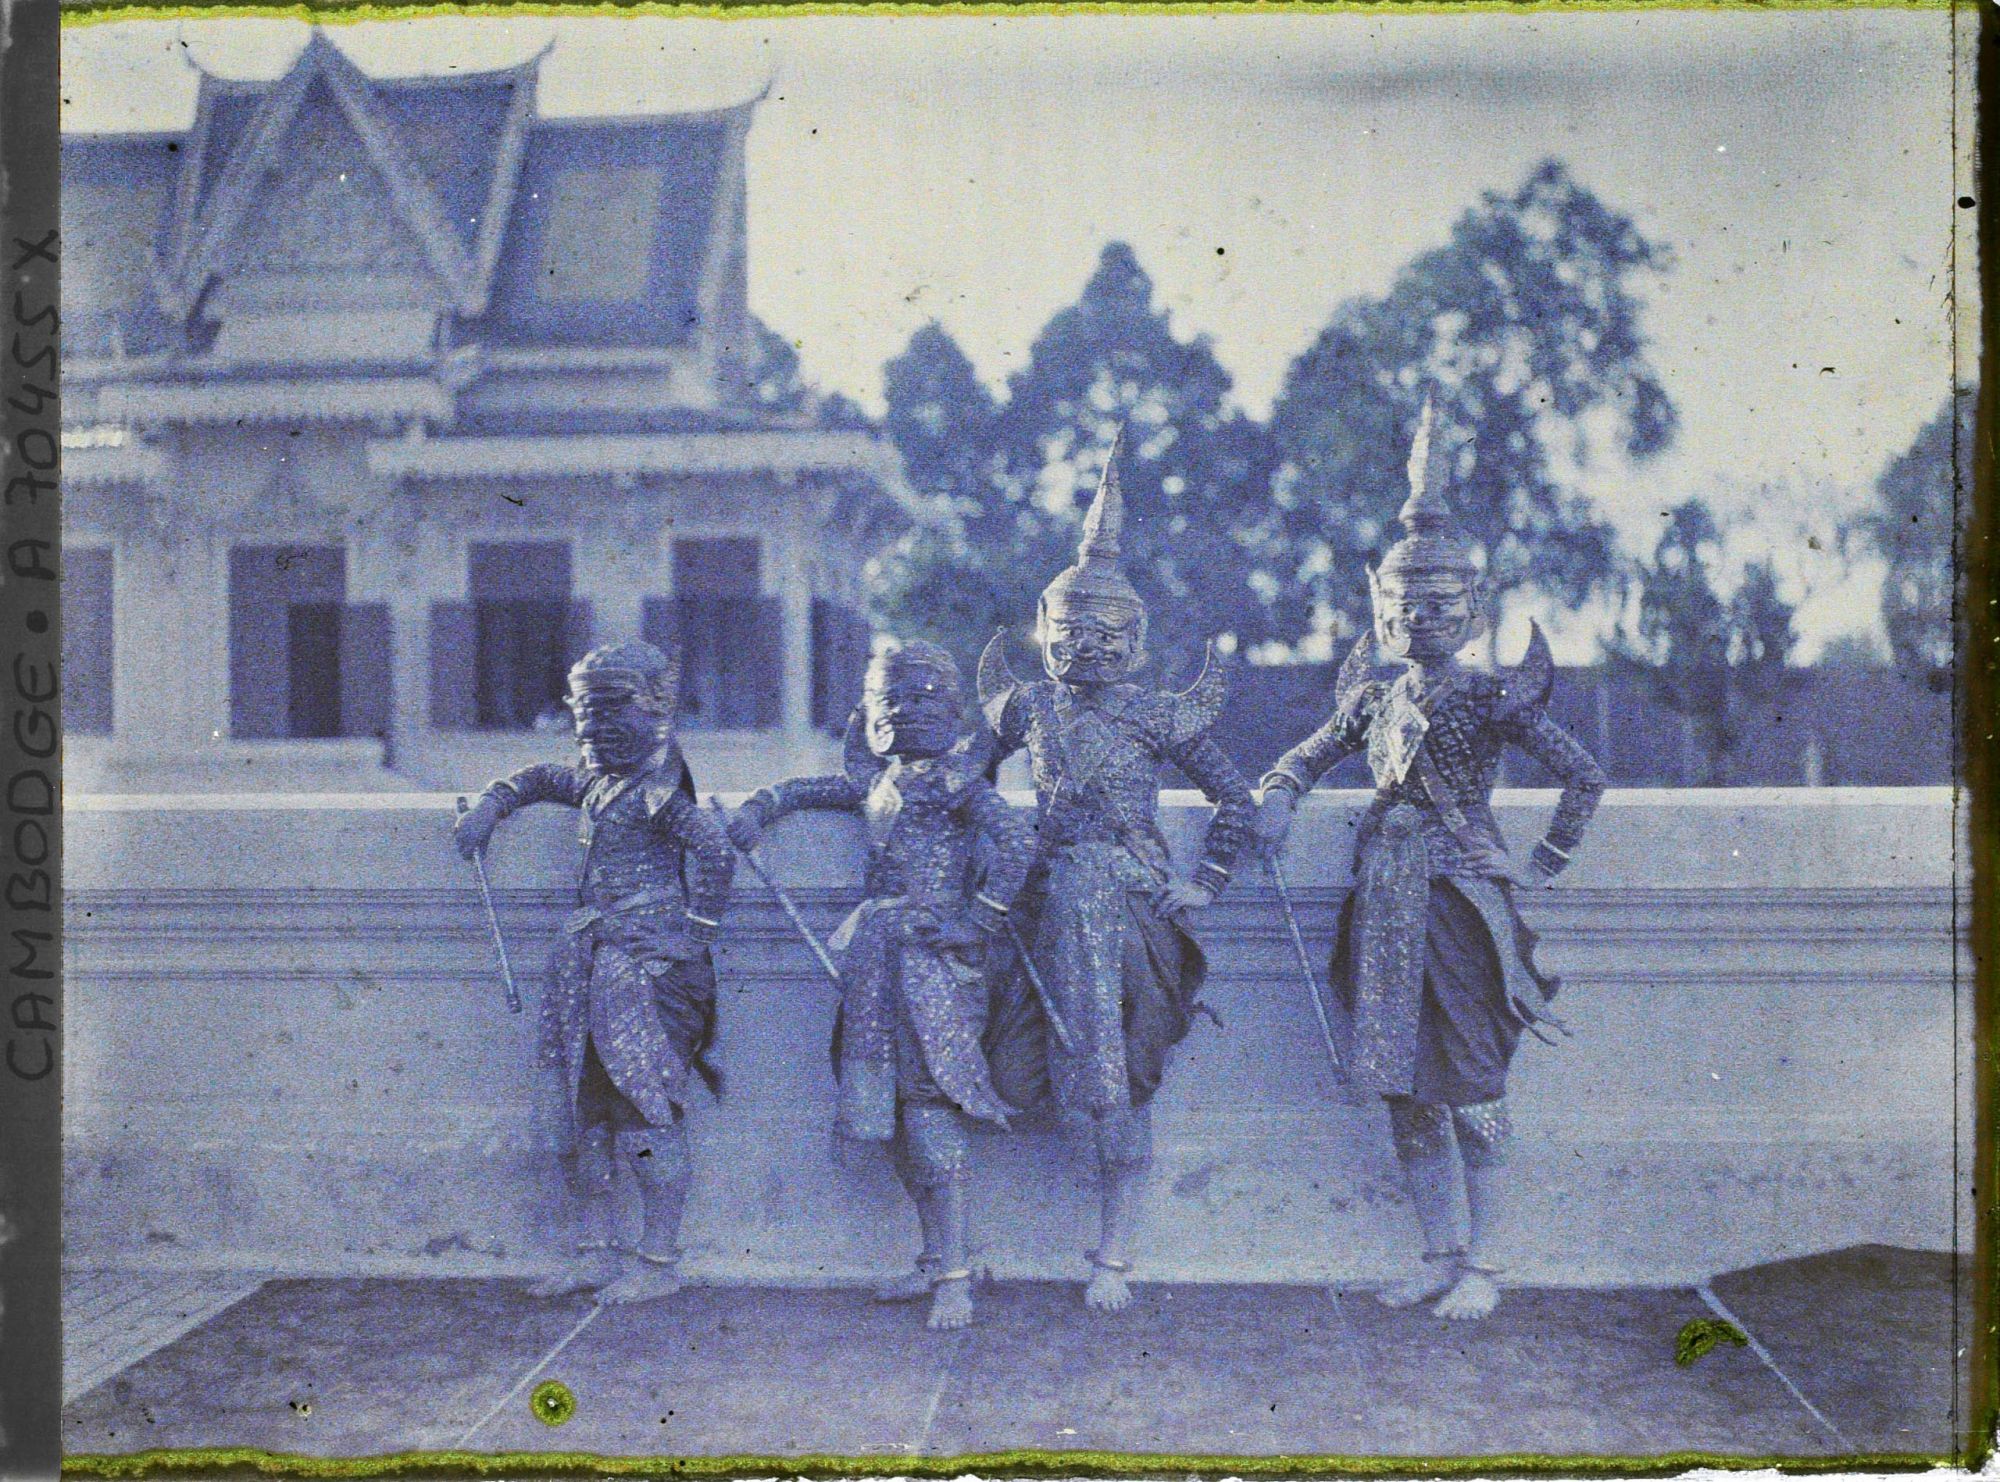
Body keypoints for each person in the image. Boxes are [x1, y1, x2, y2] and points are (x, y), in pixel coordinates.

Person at [1253, 398, 1606, 1321]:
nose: (1419, 616)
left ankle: (1489, 1262)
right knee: (1405, 1094)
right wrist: (1282, 794)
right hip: (1382, 896)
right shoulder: (1373, 696)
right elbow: (1308, 750)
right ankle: (1440, 1251)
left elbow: (1583, 775)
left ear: (1470, 609)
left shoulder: (1492, 696)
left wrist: (1547, 859)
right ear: (1381, 608)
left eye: (1438, 604)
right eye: (1403, 605)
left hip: (1459, 904)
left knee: (1476, 1090)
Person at [976, 435, 1254, 1313]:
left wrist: (1204, 882)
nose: (1085, 648)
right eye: (1068, 633)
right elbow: (964, 783)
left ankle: (1116, 1250)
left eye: (1105, 635)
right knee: (1012, 1069)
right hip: (1037, 907)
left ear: (1133, 642)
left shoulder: (1159, 717)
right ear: (1043, 632)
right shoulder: (1025, 708)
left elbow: (1236, 801)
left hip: (1128, 907)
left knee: (1118, 1076)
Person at [726, 639, 1037, 1330]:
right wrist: (759, 807)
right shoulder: (877, 785)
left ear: (952, 711)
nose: (904, 711)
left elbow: (1017, 842)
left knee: (929, 1113)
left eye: (923, 697)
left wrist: (973, 922)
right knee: (886, 1111)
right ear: (868, 715)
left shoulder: (957, 783)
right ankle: (933, 1259)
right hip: (873, 966)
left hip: (934, 969)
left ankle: (955, 1275)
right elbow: (807, 791)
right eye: (888, 699)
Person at [452, 640, 736, 1305]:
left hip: (644, 974)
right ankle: (595, 1250)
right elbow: (545, 780)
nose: (595, 726)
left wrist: (693, 937)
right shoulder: (602, 783)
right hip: (588, 966)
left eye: (614, 708)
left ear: (657, 711)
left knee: (643, 1114)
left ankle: (659, 1259)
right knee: (587, 1117)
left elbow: (716, 852)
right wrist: (494, 805)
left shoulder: (658, 792)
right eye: (585, 711)